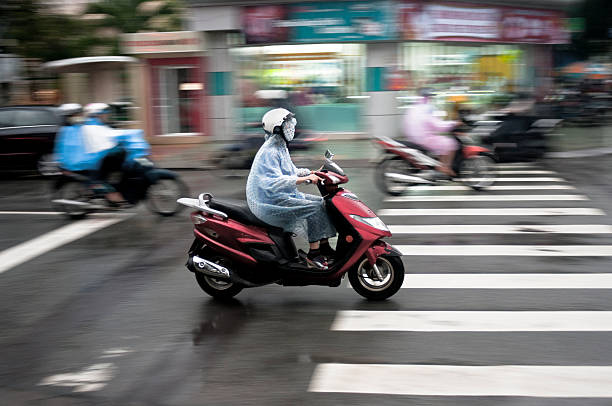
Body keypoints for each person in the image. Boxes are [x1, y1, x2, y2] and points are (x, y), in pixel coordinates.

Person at [246, 108, 336, 270]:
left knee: (322, 202)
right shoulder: (270, 151)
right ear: (277, 128)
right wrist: (305, 179)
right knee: (314, 208)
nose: (292, 129)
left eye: (291, 125)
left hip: (280, 196)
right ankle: (313, 255)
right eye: (288, 126)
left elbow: (290, 171)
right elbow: (273, 182)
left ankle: (324, 247)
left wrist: (312, 172)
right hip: (269, 202)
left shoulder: (281, 147)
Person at [403, 88, 458, 177]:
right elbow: (438, 125)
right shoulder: (427, 107)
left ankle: (436, 165)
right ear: (428, 97)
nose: (432, 99)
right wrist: (454, 123)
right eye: (431, 97)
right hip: (423, 138)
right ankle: (444, 167)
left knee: (439, 141)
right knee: (450, 143)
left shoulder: (414, 107)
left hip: (412, 137)